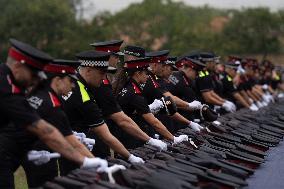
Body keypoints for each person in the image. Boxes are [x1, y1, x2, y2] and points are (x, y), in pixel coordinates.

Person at [0, 39, 107, 188]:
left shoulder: (8, 81)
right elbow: (45, 131)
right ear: (17, 66)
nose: (36, 80)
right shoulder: (8, 90)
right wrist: (84, 161)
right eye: (33, 74)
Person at [21, 59, 104, 187]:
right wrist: (92, 161)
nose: (73, 85)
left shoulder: (39, 95)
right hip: (39, 155)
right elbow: (71, 142)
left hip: (31, 153)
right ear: (58, 81)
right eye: (70, 81)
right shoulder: (51, 105)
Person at [61, 50, 144, 175]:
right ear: (88, 70)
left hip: (72, 147)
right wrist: (130, 157)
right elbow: (106, 135)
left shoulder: (75, 84)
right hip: (75, 152)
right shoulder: (83, 96)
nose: (104, 77)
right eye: (101, 73)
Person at [90, 40, 167, 151]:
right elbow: (118, 110)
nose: (118, 60)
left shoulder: (112, 76)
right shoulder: (113, 78)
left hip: (118, 128)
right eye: (116, 56)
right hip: (109, 130)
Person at [114, 57, 189, 144]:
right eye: (146, 73)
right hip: (130, 137)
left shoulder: (129, 87)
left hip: (128, 133)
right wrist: (173, 138)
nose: (147, 76)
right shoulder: (134, 93)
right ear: (138, 74)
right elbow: (154, 122)